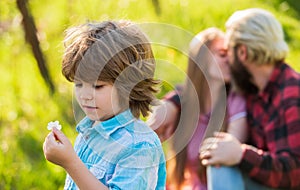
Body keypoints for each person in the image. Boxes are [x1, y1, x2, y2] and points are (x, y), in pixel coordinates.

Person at [42, 20, 166, 190]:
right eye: (79, 84)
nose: (85, 96)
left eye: (97, 86)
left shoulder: (139, 146)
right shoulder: (88, 132)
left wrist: (71, 164)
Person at [200, 8, 300, 189]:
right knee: (220, 163)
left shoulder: (292, 95)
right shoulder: (251, 86)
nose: (227, 60)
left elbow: (295, 172)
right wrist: (173, 103)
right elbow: (209, 89)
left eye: (228, 51)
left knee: (221, 168)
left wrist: (241, 154)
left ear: (242, 53)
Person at [147, 27, 247, 189]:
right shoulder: (182, 106)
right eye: (222, 54)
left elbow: (231, 151)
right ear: (202, 59)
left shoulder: (235, 102)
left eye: (231, 54)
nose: (230, 59)